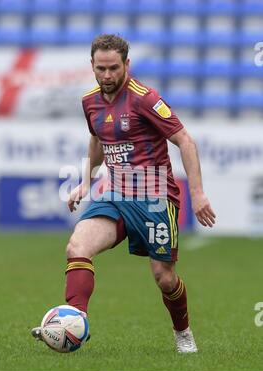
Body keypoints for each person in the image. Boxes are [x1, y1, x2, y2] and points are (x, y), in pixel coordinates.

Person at [32, 34, 216, 353]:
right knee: (77, 246)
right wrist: (86, 182)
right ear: (91, 65)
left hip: (153, 195)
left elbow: (185, 140)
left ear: (126, 65)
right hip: (115, 192)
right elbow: (98, 141)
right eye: (100, 68)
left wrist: (198, 194)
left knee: (164, 278)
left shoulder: (145, 99)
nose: (107, 76)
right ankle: (74, 320)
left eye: (113, 68)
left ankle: (183, 331)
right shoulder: (89, 101)